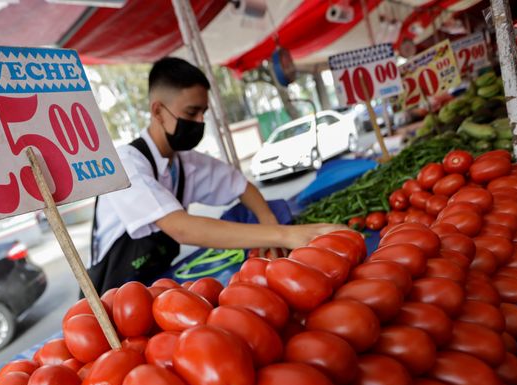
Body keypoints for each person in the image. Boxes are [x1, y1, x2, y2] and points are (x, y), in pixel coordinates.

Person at [88, 57, 345, 293]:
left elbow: (241, 186)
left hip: (158, 286)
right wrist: (284, 235)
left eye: (203, 114)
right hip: (114, 295)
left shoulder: (185, 163)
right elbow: (181, 228)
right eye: (191, 112)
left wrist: (268, 222)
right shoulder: (125, 163)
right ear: (157, 111)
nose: (200, 122)